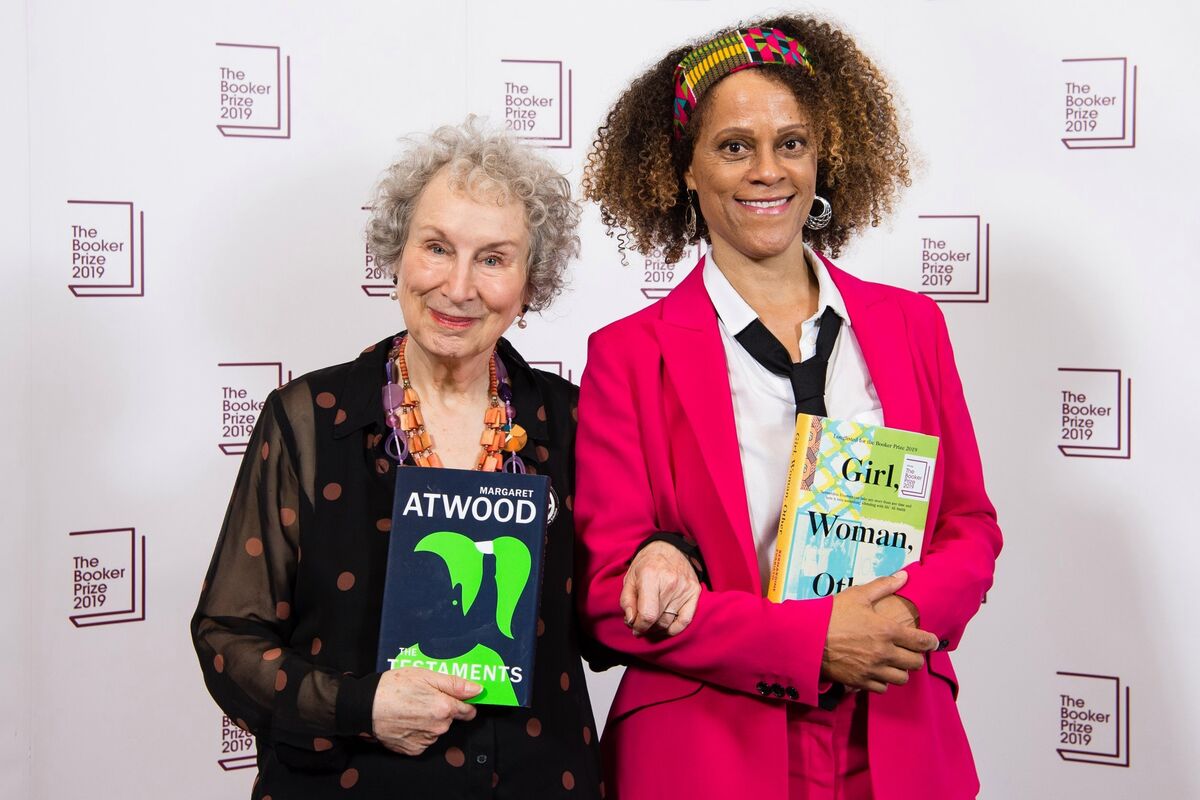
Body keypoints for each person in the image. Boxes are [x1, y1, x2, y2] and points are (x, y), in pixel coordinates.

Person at [191, 119, 693, 799]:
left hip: (538, 781)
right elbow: (228, 638)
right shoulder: (310, 420)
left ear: (530, 281)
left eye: (493, 259)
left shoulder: (574, 421)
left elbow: (608, 621)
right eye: (436, 248)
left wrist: (662, 554)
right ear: (398, 254)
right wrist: (361, 706)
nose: (459, 287)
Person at [575, 16, 1002, 800]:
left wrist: (897, 619)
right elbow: (608, 595)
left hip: (897, 735)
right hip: (712, 751)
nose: (768, 171)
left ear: (821, 157)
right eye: (735, 146)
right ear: (686, 170)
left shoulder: (912, 326)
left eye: (791, 143)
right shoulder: (629, 354)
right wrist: (811, 644)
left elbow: (969, 526)